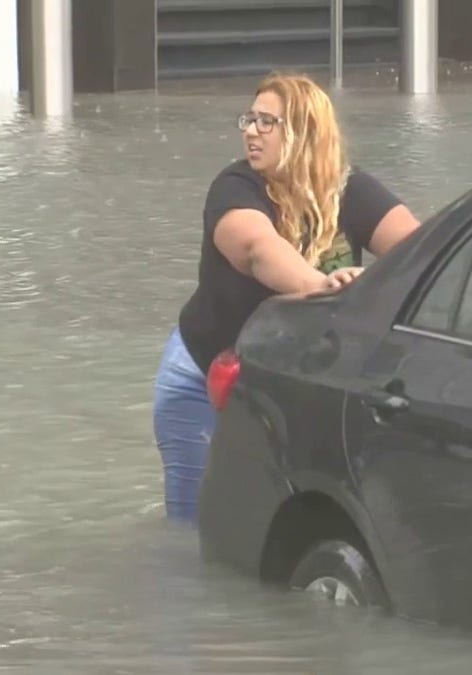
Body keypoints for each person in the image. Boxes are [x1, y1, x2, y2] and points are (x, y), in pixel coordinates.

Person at [152, 72, 420, 523]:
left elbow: (419, 249)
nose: (250, 131)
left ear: (304, 132)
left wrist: (372, 283)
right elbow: (258, 251)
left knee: (284, 520)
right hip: (203, 376)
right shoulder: (236, 186)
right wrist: (322, 287)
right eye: (249, 119)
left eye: (266, 122)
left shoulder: (349, 190)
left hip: (287, 383)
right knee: (193, 528)